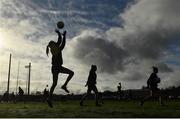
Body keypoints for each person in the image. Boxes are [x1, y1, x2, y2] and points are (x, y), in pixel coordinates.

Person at [46, 29, 74, 108]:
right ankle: (64, 86)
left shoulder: (54, 48)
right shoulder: (56, 49)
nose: (56, 43)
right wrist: (63, 36)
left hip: (56, 67)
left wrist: (59, 34)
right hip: (56, 67)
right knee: (71, 73)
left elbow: (59, 41)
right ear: (53, 45)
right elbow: (62, 43)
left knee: (54, 84)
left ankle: (49, 98)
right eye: (55, 43)